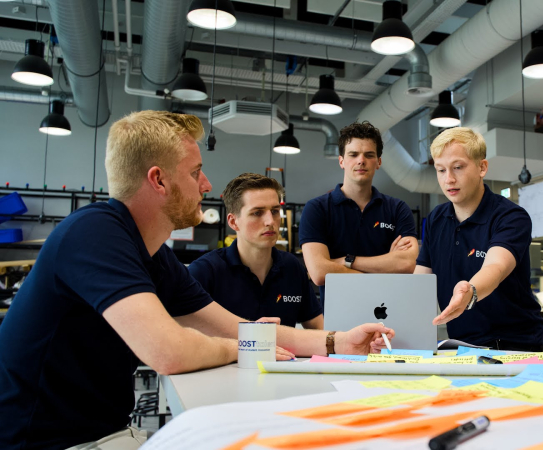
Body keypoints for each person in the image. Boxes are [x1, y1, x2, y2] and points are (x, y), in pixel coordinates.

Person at [0, 111, 393, 450]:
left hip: (105, 431)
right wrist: (242, 348)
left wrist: (340, 341)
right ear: (158, 180)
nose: (205, 185)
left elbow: (241, 330)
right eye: (195, 172)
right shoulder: (95, 232)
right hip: (44, 441)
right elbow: (169, 351)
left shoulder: (154, 255)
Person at [414, 127, 543, 351]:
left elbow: (496, 266)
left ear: (482, 167)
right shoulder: (436, 218)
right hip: (459, 345)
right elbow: (420, 280)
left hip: (511, 346)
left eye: (458, 167)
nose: (449, 179)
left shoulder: (510, 216)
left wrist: (470, 291)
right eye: (441, 170)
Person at [300, 121, 418, 306]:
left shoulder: (397, 209)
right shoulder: (317, 209)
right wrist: (386, 266)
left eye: (369, 155)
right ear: (341, 161)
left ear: (378, 162)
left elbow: (406, 264)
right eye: (353, 154)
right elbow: (319, 272)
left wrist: (346, 261)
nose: (361, 160)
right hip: (339, 318)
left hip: (388, 312)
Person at [189, 173, 323, 329]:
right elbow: (184, 339)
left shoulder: (292, 267)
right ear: (233, 222)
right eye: (257, 213)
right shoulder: (205, 272)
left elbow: (319, 329)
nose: (270, 221)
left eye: (274, 211)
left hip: (285, 354)